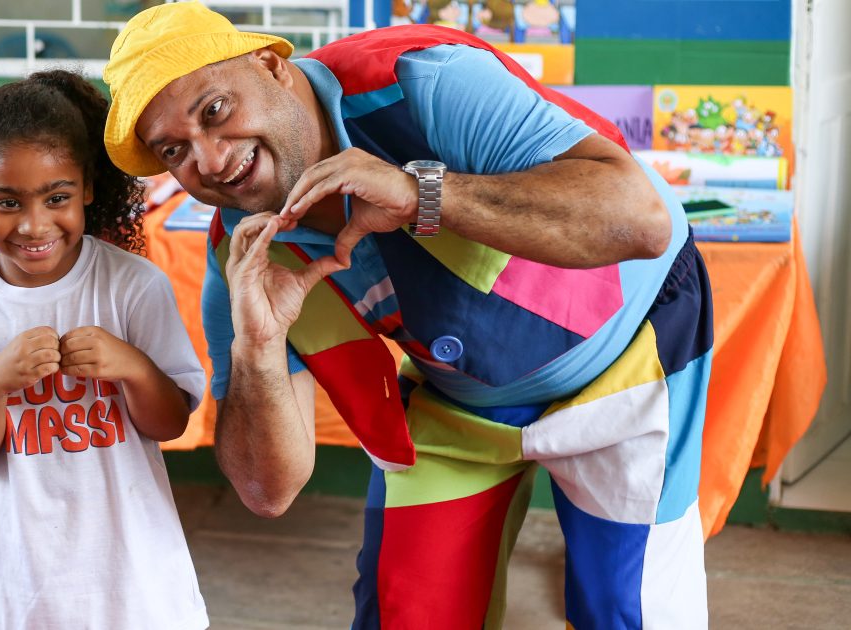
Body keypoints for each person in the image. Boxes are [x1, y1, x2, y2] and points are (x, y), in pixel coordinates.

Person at [102, 3, 711, 629]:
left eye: (215, 111)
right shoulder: (243, 256)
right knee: (405, 613)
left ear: (270, 67)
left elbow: (641, 222)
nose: (207, 159)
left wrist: (422, 192)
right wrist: (259, 345)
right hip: (460, 404)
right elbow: (266, 490)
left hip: (630, 352)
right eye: (175, 149)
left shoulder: (422, 81)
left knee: (631, 608)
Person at [0, 70, 208, 629]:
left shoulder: (132, 286)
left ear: (88, 189)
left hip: (133, 577)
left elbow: (171, 422)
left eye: (57, 197)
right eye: (6, 202)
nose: (34, 225)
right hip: (16, 578)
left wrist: (131, 367)